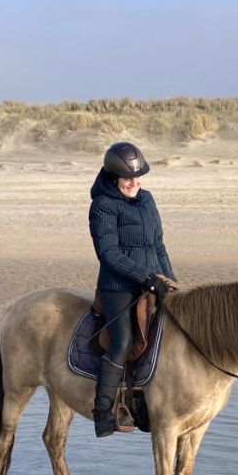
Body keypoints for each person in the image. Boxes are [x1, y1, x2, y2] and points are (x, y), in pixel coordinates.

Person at [88, 141, 179, 437]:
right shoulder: (102, 205)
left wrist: (171, 281)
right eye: (127, 178)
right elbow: (109, 254)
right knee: (123, 342)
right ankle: (103, 413)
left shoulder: (147, 199)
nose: (134, 183)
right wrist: (145, 277)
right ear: (113, 177)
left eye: (138, 177)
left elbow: (158, 245)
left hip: (154, 281)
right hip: (118, 287)